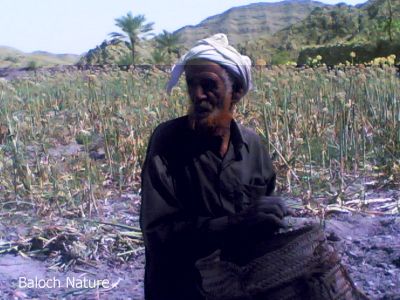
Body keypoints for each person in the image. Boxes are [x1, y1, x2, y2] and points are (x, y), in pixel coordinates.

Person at [140, 33, 289, 300]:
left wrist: (272, 217)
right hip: (181, 289)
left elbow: (262, 220)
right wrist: (235, 223)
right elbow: (158, 234)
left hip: (238, 288)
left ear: (237, 93)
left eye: (209, 84)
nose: (198, 95)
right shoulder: (167, 142)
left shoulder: (252, 146)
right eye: (191, 84)